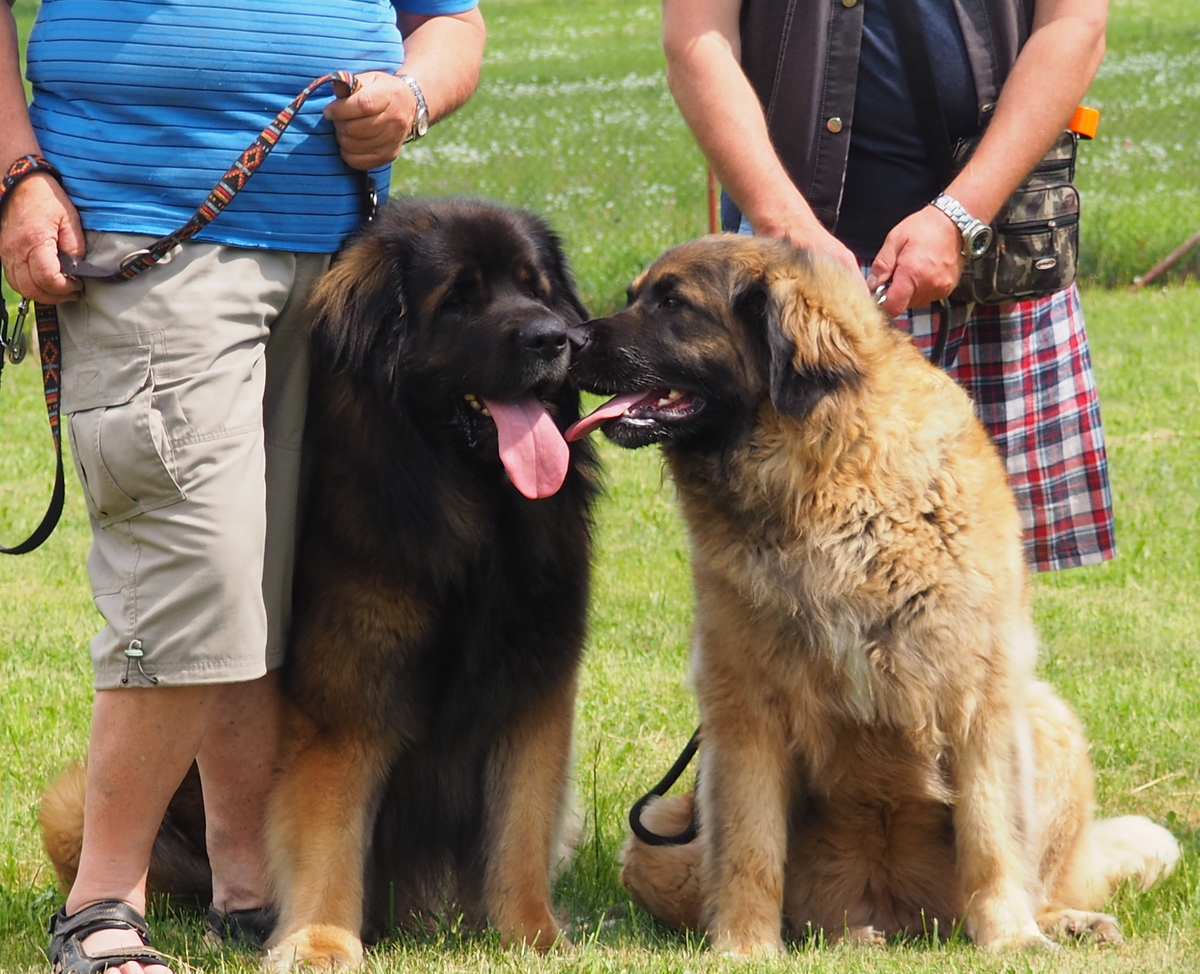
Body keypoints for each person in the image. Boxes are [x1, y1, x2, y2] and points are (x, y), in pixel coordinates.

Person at [0, 1, 484, 972]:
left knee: (284, 580)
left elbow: (451, 22)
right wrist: (17, 173)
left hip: (347, 258)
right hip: (156, 228)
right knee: (199, 566)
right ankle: (102, 901)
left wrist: (413, 97)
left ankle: (250, 885)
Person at [662, 0, 1114, 572]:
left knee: (986, 577)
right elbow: (696, 38)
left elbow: (1075, 23)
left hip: (994, 246)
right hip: (791, 293)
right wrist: (788, 228)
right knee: (780, 580)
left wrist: (961, 214)